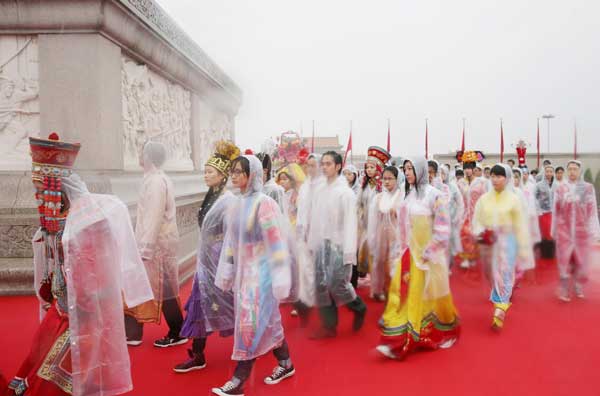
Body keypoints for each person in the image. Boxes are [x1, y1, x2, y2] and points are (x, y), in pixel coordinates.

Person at [8, 133, 153, 396]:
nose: (38, 194)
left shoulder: (90, 220)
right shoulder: (54, 220)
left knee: (57, 381)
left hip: (84, 313)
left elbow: (101, 272)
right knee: (37, 363)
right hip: (60, 309)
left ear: (57, 186)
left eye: (43, 187)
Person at [212, 155, 295, 396]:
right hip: (243, 274)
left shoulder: (264, 203)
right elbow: (231, 241)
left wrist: (280, 277)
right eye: (233, 171)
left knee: (250, 324)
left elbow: (276, 242)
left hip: (262, 274)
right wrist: (227, 270)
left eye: (240, 171)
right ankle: (286, 363)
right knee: (268, 321)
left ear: (253, 175)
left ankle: (239, 379)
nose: (235, 175)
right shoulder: (236, 204)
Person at [376, 158, 460, 360]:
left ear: (420, 170)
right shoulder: (408, 195)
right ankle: (399, 340)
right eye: (405, 169)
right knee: (402, 293)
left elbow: (442, 228)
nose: (407, 172)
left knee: (428, 296)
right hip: (410, 254)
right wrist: (400, 250)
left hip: (429, 256)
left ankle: (418, 336)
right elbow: (403, 229)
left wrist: (430, 251)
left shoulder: (435, 196)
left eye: (410, 168)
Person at [174, 141, 240, 373]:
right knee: (200, 306)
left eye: (210, 172)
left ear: (222, 176)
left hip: (219, 260)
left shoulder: (229, 201)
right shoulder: (210, 196)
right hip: (206, 262)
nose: (205, 175)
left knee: (235, 303)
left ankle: (261, 339)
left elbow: (232, 234)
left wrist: (222, 258)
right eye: (205, 171)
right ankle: (198, 354)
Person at [124, 141, 186, 348]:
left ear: (148, 156)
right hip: (155, 241)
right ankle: (172, 329)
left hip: (156, 243)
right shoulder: (154, 179)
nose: (139, 156)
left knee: (152, 285)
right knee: (157, 285)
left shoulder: (156, 182)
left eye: (141, 152)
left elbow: (153, 216)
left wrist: (145, 248)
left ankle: (172, 330)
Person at [308, 151, 367, 338]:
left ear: (338, 166)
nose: (324, 167)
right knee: (320, 283)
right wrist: (312, 242)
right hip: (321, 242)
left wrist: (350, 252)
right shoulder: (320, 190)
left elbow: (351, 224)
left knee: (337, 283)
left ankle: (358, 307)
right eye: (322, 164)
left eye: (328, 164)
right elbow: (315, 219)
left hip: (339, 244)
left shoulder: (346, 194)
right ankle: (329, 326)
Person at [472, 164, 532, 330]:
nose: (495, 179)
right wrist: (480, 233)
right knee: (490, 273)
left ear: (507, 179)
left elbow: (520, 223)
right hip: (489, 244)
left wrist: (523, 247)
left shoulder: (514, 199)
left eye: (499, 176)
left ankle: (500, 309)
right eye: (493, 176)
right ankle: (499, 300)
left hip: (508, 242)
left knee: (505, 273)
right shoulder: (484, 199)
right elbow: (477, 220)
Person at [552, 160, 600, 301]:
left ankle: (578, 284)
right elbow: (556, 210)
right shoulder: (561, 188)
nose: (572, 172)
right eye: (570, 169)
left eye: (575, 169)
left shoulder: (587, 188)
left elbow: (592, 211)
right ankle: (564, 288)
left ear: (580, 171)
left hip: (581, 232)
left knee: (580, 261)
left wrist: (594, 230)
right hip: (564, 232)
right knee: (565, 260)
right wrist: (554, 229)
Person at [367, 166, 404, 302]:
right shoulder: (378, 198)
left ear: (397, 179)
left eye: (390, 179)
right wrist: (372, 238)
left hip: (396, 235)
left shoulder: (402, 196)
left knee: (394, 264)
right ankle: (380, 288)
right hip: (381, 234)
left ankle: (394, 291)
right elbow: (373, 220)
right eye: (384, 179)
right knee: (379, 262)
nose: (387, 182)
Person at [357, 146, 391, 292]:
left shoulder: (383, 186)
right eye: (367, 167)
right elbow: (358, 203)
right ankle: (374, 284)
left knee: (380, 256)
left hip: (379, 226)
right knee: (367, 253)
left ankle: (382, 286)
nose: (369, 170)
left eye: (372, 167)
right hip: (364, 225)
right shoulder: (363, 186)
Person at [294, 153, 324, 323]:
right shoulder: (305, 186)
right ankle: (306, 300)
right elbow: (301, 210)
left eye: (314, 165)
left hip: (318, 233)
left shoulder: (324, 186)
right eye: (308, 165)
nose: (310, 169)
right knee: (304, 267)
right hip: (303, 232)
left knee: (317, 267)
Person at [456, 151, 489, 269]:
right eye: (465, 168)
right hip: (464, 214)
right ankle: (465, 258)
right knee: (465, 235)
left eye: (470, 168)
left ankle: (474, 257)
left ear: (474, 169)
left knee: (475, 236)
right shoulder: (460, 183)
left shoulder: (481, 182)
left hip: (477, 213)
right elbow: (458, 199)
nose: (467, 171)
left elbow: (485, 198)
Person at [512, 168, 540, 274]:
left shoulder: (523, 191)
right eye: (513, 177)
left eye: (517, 177)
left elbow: (528, 208)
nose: (515, 180)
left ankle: (520, 267)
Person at [440, 164, 465, 266]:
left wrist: (457, 217)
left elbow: (460, 202)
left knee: (449, 243)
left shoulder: (452, 186)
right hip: (437, 221)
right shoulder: (434, 186)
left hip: (450, 219)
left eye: (443, 173)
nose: (441, 175)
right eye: (439, 173)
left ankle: (448, 264)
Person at [535, 164, 555, 257]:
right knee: (544, 232)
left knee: (553, 232)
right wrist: (538, 209)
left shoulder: (557, 185)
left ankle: (552, 253)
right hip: (542, 213)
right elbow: (534, 197)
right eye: (547, 171)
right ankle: (544, 252)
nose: (549, 173)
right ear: (544, 172)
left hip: (554, 213)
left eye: (551, 171)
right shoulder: (538, 185)